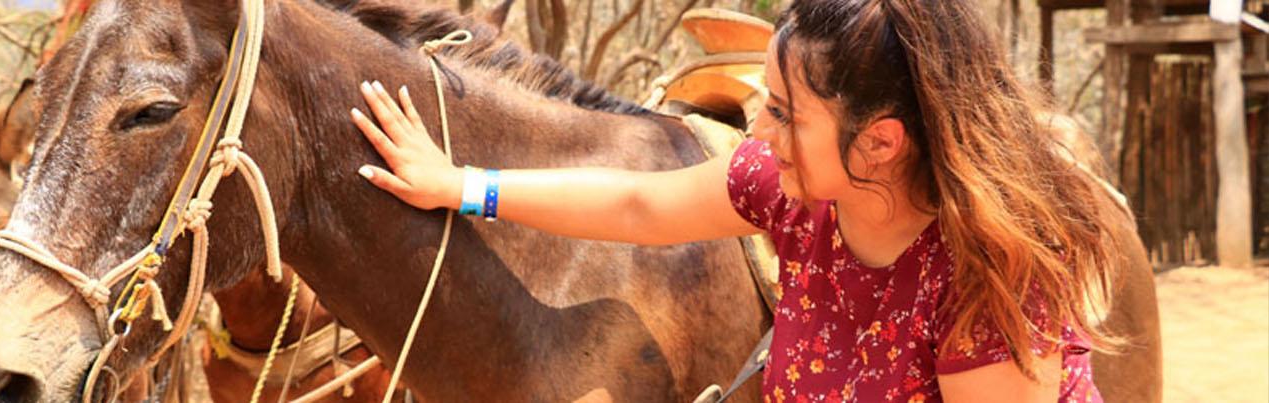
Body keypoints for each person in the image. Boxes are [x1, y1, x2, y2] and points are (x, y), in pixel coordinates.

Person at [348, 0, 1122, 400]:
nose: (758, 128)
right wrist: (461, 185)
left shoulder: (987, 285)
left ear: (881, 142)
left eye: (786, 112)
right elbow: (635, 207)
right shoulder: (795, 196)